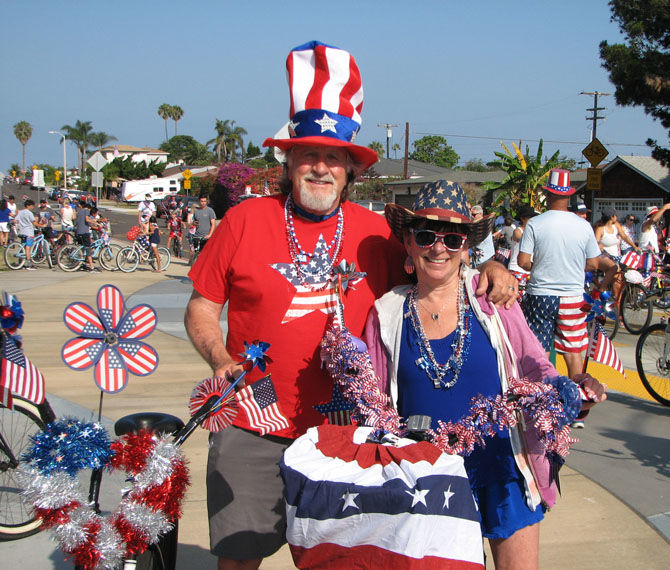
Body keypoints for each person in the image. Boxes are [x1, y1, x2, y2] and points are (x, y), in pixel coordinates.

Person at [184, 40, 517, 570]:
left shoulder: (375, 235)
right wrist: (220, 361)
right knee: (240, 556)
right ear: (289, 163)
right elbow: (202, 308)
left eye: (333, 157)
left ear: (349, 170)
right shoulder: (242, 222)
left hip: (349, 432)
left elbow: (435, 266)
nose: (321, 168)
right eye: (309, 155)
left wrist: (489, 270)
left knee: (346, 561)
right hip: (253, 423)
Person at [368, 180, 606, 569]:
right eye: (426, 235)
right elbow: (375, 401)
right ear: (409, 244)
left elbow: (534, 365)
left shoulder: (493, 301)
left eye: (453, 238)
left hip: (503, 463)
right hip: (426, 476)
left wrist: (567, 390)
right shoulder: (387, 313)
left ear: (466, 247)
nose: (438, 247)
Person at [517, 169, 614, 381]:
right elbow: (593, 263)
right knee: (573, 351)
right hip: (573, 296)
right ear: (568, 196)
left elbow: (523, 262)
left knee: (538, 349)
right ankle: (576, 400)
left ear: (548, 195)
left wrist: (542, 265)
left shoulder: (535, 223)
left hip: (540, 295)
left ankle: (538, 397)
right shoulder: (583, 226)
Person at [594, 207, 640, 294]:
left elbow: (624, 236)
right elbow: (595, 243)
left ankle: (617, 303)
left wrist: (635, 246)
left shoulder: (616, 225)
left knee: (618, 280)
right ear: (612, 216)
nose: (617, 217)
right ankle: (602, 288)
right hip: (603, 256)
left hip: (615, 257)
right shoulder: (600, 229)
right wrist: (599, 245)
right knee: (614, 268)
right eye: (616, 215)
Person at [507, 204, 539, 296]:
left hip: (530, 271)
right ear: (523, 218)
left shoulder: (534, 232)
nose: (532, 220)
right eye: (530, 218)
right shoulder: (518, 231)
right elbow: (520, 238)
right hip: (517, 269)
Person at [188, 194, 216, 264]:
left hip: (206, 236)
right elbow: (193, 223)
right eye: (201, 201)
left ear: (207, 202)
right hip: (197, 235)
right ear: (199, 201)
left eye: (204, 201)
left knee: (206, 254)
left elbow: (213, 224)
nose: (203, 203)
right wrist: (194, 223)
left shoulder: (210, 211)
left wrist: (210, 234)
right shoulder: (197, 211)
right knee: (197, 253)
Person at [15, 199, 42, 270]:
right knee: (28, 247)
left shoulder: (20, 212)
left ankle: (21, 262)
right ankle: (29, 263)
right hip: (29, 232)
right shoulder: (29, 213)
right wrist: (41, 225)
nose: (33, 207)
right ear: (28, 206)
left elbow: (16, 220)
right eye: (32, 206)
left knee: (23, 247)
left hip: (21, 231)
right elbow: (34, 223)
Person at [74, 201, 100, 272]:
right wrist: (95, 222)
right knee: (88, 248)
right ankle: (91, 266)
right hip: (84, 232)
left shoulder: (79, 212)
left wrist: (94, 221)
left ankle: (81, 263)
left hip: (78, 231)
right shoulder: (86, 211)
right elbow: (87, 219)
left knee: (82, 248)